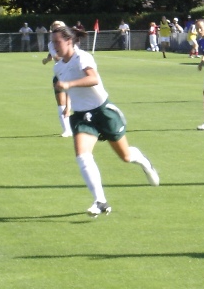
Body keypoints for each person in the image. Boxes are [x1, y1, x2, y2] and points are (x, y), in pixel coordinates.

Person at [51, 25, 159, 216]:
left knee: (125, 156)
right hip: (82, 117)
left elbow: (92, 79)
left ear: (69, 41)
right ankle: (100, 201)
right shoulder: (58, 67)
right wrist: (68, 104)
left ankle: (143, 161)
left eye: (57, 41)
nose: (54, 45)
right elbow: (68, 88)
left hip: (103, 111)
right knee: (82, 155)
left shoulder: (82, 57)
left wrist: (68, 84)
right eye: (52, 42)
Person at [42, 20, 72, 137]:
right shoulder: (51, 44)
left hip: (71, 73)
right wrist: (47, 59)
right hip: (59, 74)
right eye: (54, 29)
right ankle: (67, 129)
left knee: (76, 101)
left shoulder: (70, 42)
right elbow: (53, 54)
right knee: (61, 103)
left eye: (59, 29)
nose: (56, 31)